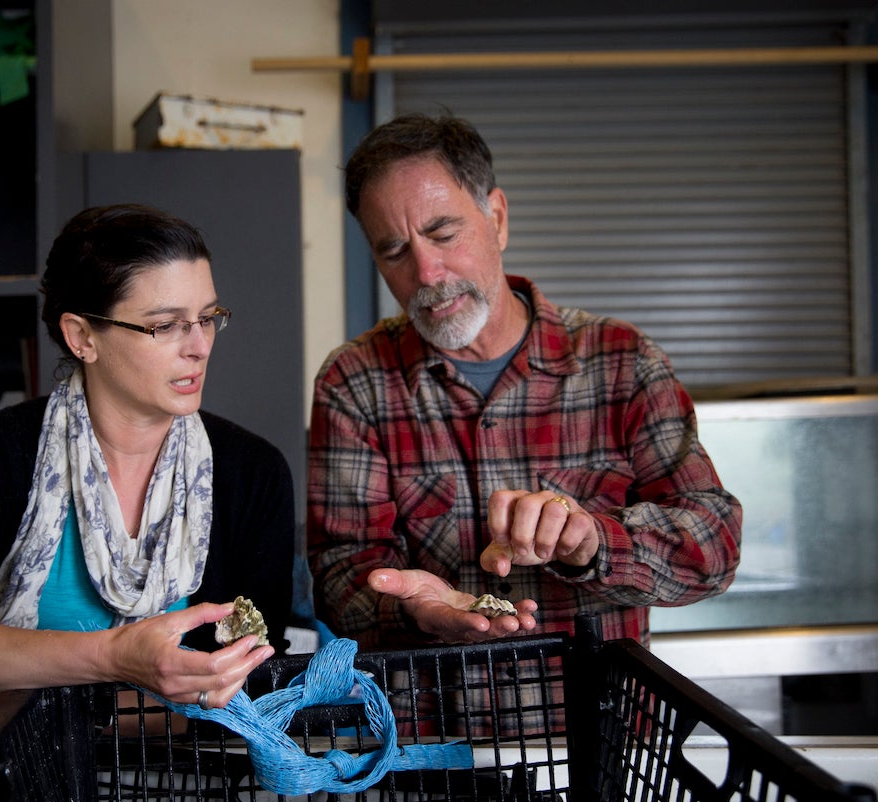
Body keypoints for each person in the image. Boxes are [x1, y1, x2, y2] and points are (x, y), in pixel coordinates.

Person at [309, 113, 742, 658]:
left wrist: (593, 542)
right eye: (394, 251)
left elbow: (715, 545)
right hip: (433, 733)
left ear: (497, 217)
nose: (426, 272)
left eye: (443, 233)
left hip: (598, 728)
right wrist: (413, 608)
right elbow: (336, 575)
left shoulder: (622, 362)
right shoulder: (354, 383)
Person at [0, 204, 294, 741]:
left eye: (209, 317)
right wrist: (113, 657)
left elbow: (256, 682)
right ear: (82, 337)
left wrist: (46, 708)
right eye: (164, 325)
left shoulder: (252, 473)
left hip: (180, 796)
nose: (199, 346)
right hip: (17, 797)